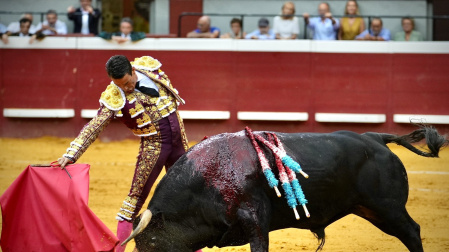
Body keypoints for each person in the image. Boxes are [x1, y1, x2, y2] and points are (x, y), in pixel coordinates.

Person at [56, 55, 192, 251]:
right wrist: (72, 153)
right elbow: (94, 126)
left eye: (128, 83)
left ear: (134, 71)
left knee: (188, 194)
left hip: (179, 142)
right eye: (120, 85)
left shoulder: (149, 68)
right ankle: (119, 249)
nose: (126, 88)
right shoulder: (114, 95)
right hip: (154, 147)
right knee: (134, 201)